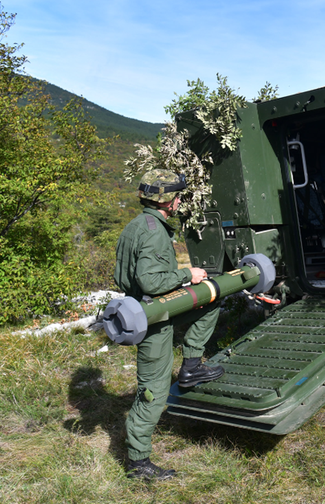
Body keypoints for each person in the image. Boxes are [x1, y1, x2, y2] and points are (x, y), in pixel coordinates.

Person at [114, 169, 225, 481]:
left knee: (211, 300)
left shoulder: (138, 225)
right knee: (154, 391)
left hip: (155, 307)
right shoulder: (153, 232)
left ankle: (191, 366)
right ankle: (138, 463)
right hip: (152, 317)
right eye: (176, 195)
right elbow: (149, 279)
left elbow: (123, 275)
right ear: (166, 201)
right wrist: (187, 276)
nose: (179, 200)